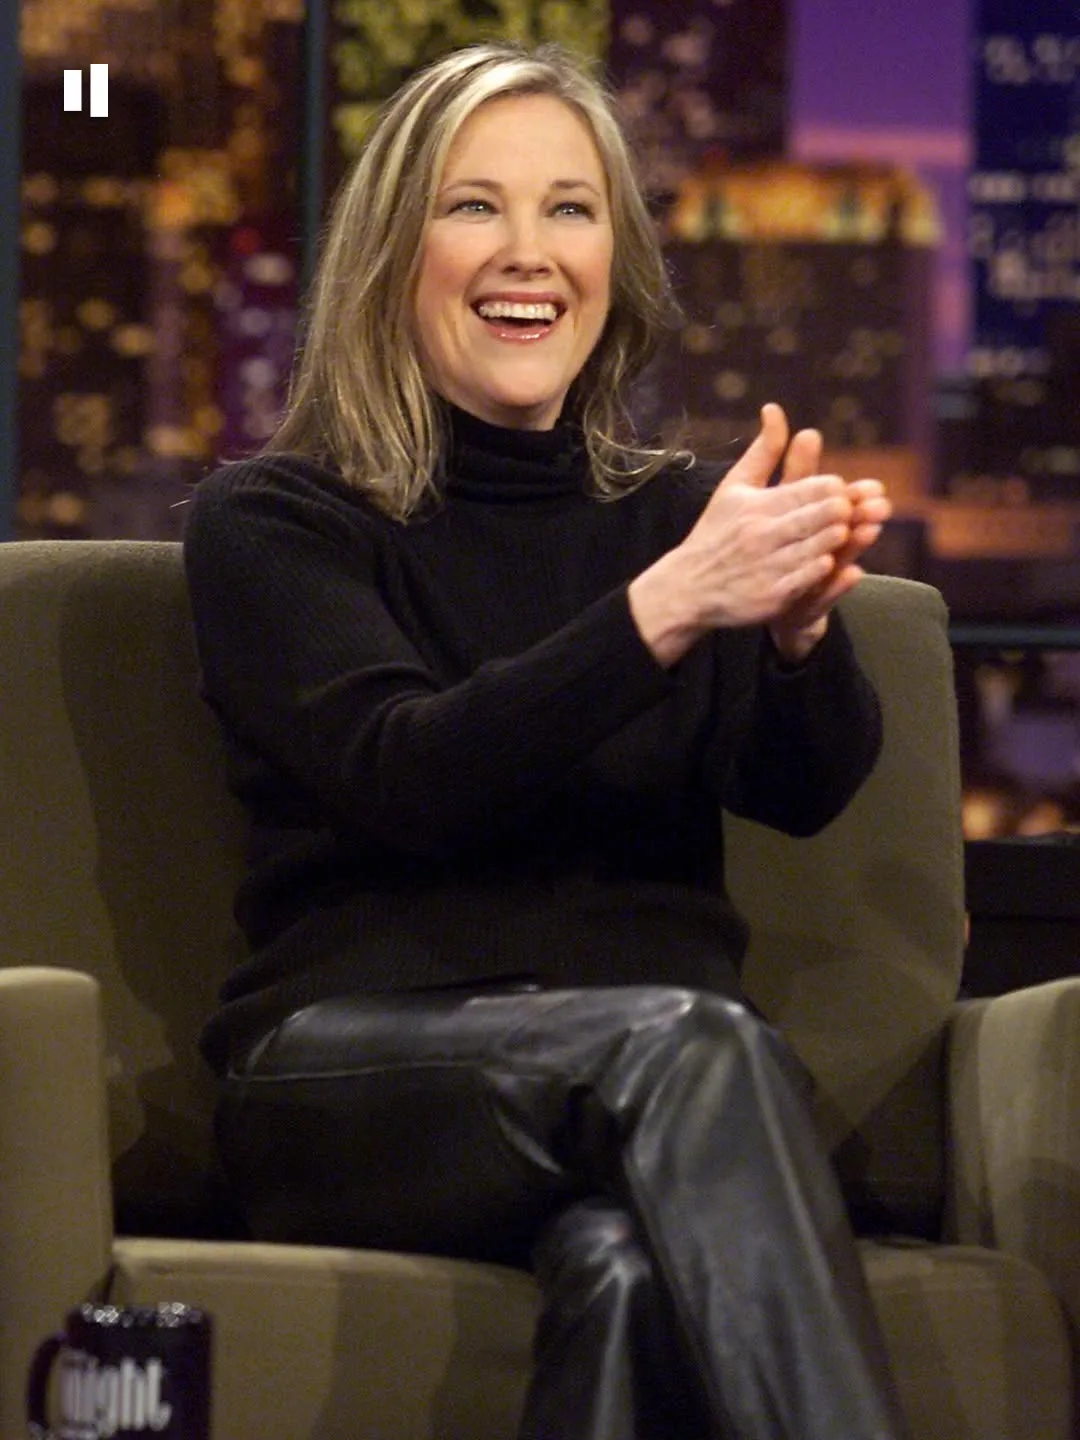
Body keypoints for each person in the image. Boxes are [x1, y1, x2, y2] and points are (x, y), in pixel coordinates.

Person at [183, 40, 909, 1440]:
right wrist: (669, 606)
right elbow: (409, 773)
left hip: (650, 1085)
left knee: (625, 1268)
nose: (530, 251)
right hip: (357, 1086)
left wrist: (797, 635)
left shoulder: (676, 516)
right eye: (476, 205)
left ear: (614, 260)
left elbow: (804, 789)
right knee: (695, 1048)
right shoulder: (278, 521)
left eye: (570, 209)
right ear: (394, 254)